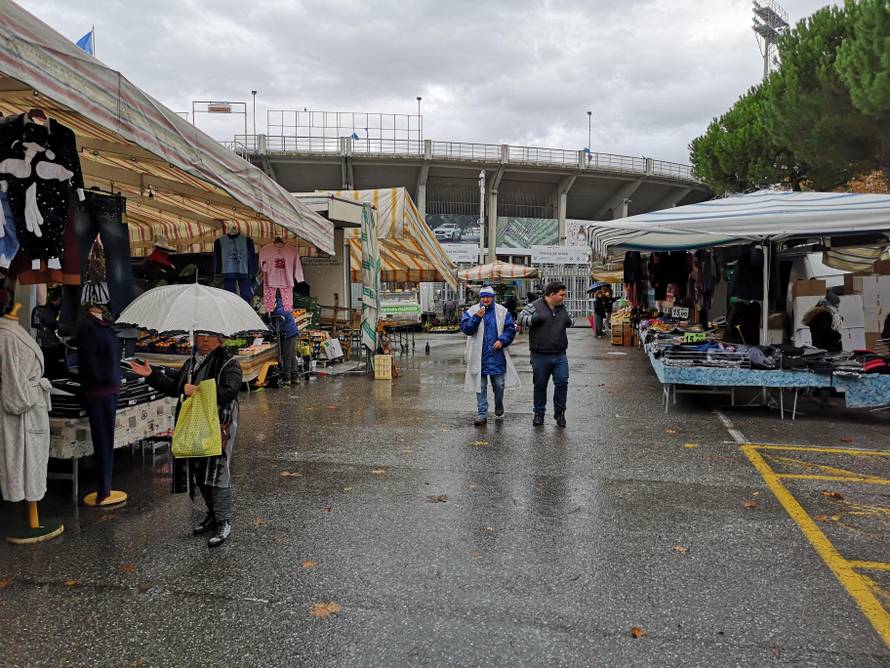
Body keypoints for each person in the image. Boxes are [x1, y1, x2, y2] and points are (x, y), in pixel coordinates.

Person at [129, 333, 243, 547]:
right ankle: (212, 514)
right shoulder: (192, 363)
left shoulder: (229, 363)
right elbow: (176, 387)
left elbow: (228, 391)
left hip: (220, 425)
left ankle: (223, 520)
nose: (205, 341)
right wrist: (151, 375)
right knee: (199, 469)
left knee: (216, 471)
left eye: (211, 337)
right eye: (201, 336)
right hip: (195, 424)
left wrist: (197, 390)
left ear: (220, 340)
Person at [76, 289, 122, 505]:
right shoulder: (87, 326)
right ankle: (104, 486)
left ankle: (105, 484)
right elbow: (89, 359)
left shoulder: (104, 324)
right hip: (100, 389)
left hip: (108, 387)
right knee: (103, 438)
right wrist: (102, 378)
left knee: (106, 437)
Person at [460, 286, 519, 426]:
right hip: (478, 355)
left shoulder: (502, 311)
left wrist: (502, 340)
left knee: (499, 384)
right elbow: (466, 329)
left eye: (488, 297)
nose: (485, 299)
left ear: (493, 297)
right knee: (480, 386)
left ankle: (499, 404)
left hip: (496, 355)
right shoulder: (472, 311)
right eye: (482, 297)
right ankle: (482, 414)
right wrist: (476, 318)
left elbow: (510, 329)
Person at [519, 281, 574, 428]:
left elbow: (571, 319)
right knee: (540, 385)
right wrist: (534, 319)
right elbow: (520, 319)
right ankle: (539, 413)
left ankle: (560, 413)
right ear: (552, 294)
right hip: (540, 355)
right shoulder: (534, 306)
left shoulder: (563, 308)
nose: (564, 297)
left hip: (560, 354)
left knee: (562, 383)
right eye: (561, 295)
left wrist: (569, 320)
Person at [31, 288, 66, 378]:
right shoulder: (47, 310)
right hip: (50, 345)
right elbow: (55, 324)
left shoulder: (39, 309)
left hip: (46, 344)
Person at [270, 295, 299, 385]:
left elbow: (277, 326)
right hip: (293, 333)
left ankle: (287, 378)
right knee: (292, 356)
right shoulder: (282, 306)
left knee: (287, 356)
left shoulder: (279, 311)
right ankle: (295, 376)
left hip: (289, 335)